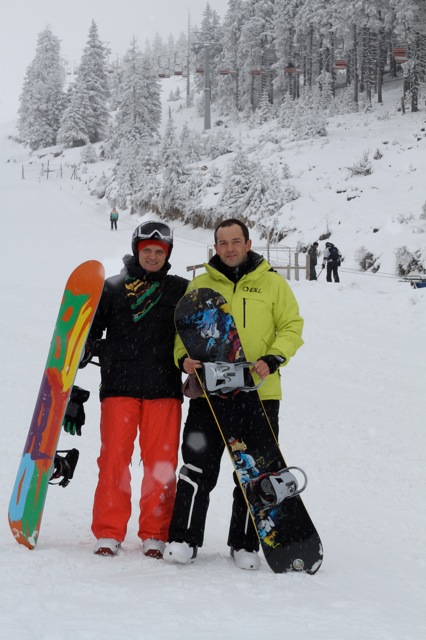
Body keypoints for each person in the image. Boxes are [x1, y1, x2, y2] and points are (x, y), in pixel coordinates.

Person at [164, 218, 304, 571]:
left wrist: (274, 357)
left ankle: (244, 543)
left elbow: (292, 326)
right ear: (215, 246)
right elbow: (182, 331)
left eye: (235, 241)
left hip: (259, 391)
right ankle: (183, 539)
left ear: (248, 243)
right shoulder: (200, 285)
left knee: (254, 470)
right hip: (209, 394)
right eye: (223, 242)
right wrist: (183, 359)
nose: (229, 248)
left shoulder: (272, 283)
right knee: (198, 465)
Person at [63, 221, 188, 558]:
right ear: (136, 251)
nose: (152, 256)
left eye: (159, 251)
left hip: (164, 389)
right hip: (119, 386)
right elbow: (89, 335)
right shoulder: (113, 288)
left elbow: (192, 335)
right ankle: (108, 530)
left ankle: (156, 532)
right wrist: (81, 366)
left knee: (161, 463)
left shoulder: (180, 289)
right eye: (147, 250)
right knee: (113, 460)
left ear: (167, 254)